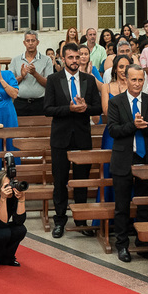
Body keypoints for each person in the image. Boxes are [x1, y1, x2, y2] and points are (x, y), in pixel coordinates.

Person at [44, 42, 104, 239]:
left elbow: (98, 108)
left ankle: (81, 220)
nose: (75, 61)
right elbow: (47, 109)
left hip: (81, 137)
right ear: (62, 58)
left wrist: (86, 107)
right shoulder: (53, 79)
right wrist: (68, 109)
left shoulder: (88, 79)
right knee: (60, 182)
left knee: (81, 181)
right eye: (71, 57)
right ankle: (59, 220)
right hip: (60, 138)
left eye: (78, 57)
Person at [106, 65, 148, 262]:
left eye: (140, 80)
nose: (137, 84)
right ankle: (122, 245)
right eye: (134, 80)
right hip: (123, 159)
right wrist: (133, 125)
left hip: (145, 158)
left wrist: (144, 126)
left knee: (145, 204)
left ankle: (143, 242)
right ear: (126, 80)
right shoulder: (116, 102)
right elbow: (113, 129)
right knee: (122, 205)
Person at [9, 31, 51, 118]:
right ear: (24, 43)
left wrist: (35, 74)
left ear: (37, 42)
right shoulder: (15, 60)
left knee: (40, 130)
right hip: (20, 103)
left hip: (40, 103)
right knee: (19, 130)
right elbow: (10, 84)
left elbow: (49, 84)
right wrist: (22, 76)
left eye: (33, 40)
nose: (30, 43)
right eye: (28, 41)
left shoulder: (46, 60)